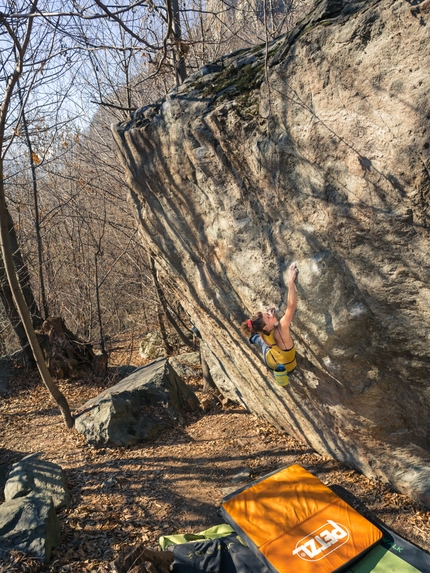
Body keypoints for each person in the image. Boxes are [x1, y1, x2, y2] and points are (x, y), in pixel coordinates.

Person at [241, 262, 298, 377]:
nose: (270, 314)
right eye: (268, 316)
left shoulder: (262, 331)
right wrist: (291, 283)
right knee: (262, 343)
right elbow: (291, 307)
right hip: (287, 366)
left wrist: (269, 318)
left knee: (261, 341)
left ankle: (252, 337)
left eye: (267, 313)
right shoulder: (281, 330)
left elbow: (263, 327)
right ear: (266, 326)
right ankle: (252, 337)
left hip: (271, 362)